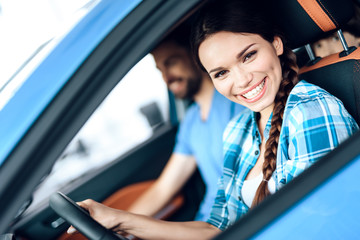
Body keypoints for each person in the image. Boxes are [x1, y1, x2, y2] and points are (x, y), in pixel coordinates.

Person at [67, 1, 359, 239]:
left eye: (248, 56)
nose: (242, 80)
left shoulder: (311, 111)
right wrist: (122, 220)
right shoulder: (239, 131)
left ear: (277, 44)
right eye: (221, 73)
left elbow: (317, 226)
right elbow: (216, 228)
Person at [121, 23, 245, 222]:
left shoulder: (236, 99)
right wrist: (117, 222)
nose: (166, 77)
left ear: (197, 56)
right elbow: (163, 189)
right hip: (206, 221)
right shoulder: (191, 120)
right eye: (160, 69)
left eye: (171, 63)